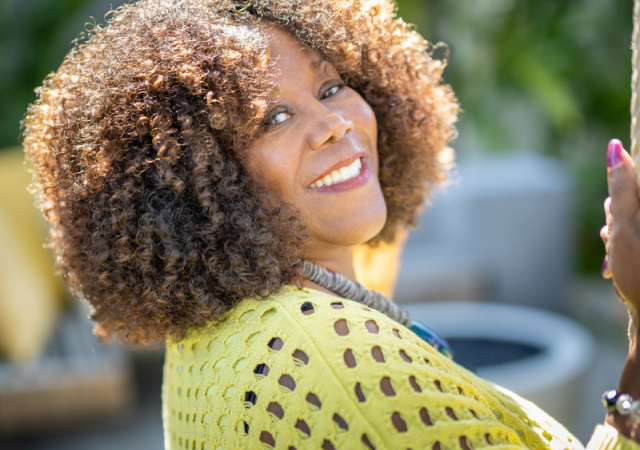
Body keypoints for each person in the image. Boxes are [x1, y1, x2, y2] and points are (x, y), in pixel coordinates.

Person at [20, 0, 640, 448]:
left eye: (332, 85)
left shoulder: (232, 327)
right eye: (273, 118)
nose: (334, 124)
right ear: (191, 181)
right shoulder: (339, 371)